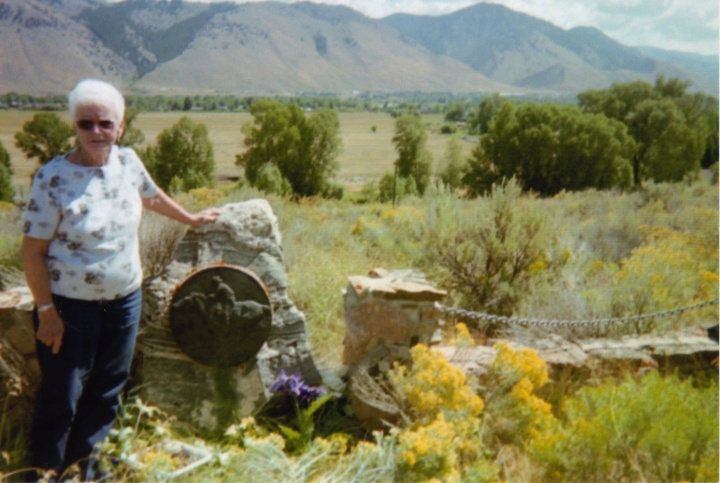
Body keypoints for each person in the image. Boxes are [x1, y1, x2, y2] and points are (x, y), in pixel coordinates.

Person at [21, 78, 221, 479]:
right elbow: (33, 252)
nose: (96, 132)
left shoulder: (128, 162)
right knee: (62, 394)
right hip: (69, 305)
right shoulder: (53, 178)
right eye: (86, 124)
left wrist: (190, 218)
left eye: (105, 123)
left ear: (121, 127)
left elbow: (150, 195)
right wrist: (46, 310)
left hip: (125, 299)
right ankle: (42, 475)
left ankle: (85, 471)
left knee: (107, 389)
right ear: (74, 127)